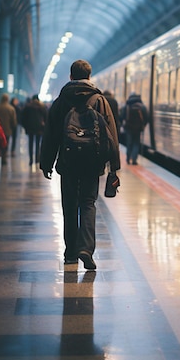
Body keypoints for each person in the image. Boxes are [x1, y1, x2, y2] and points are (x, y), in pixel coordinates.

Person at [40, 59, 121, 270]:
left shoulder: (61, 101)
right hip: (92, 162)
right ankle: (86, 248)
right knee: (88, 203)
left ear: (70, 76)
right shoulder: (100, 100)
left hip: (68, 162)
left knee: (69, 205)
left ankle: (70, 254)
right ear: (90, 76)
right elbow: (111, 133)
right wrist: (114, 165)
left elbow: (50, 134)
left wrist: (46, 163)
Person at [121, 92, 148, 165]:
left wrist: (122, 125)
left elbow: (122, 117)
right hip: (138, 128)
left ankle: (128, 158)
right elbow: (146, 118)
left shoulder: (126, 106)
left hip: (128, 128)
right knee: (136, 144)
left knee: (129, 143)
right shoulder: (142, 107)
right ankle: (134, 160)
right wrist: (143, 126)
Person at [21, 94, 47, 166]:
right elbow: (46, 117)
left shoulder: (28, 107)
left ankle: (31, 160)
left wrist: (25, 127)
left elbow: (23, 118)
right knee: (38, 144)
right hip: (39, 128)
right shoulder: (42, 107)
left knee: (30, 143)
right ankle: (37, 159)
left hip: (30, 128)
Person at [0, 93, 17, 165]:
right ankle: (3, 157)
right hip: (7, 129)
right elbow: (13, 120)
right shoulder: (11, 108)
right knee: (5, 143)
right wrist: (13, 127)